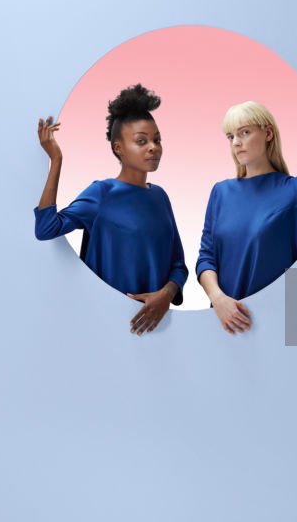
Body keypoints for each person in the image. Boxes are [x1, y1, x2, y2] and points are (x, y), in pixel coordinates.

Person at [34, 84, 188, 335]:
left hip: (157, 328)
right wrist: (56, 160)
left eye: (156, 139)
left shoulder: (160, 197)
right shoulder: (102, 193)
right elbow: (46, 228)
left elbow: (179, 265)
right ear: (118, 148)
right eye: (141, 141)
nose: (153, 147)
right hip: (103, 326)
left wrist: (166, 295)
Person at [196, 101, 297, 335]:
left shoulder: (295, 189)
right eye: (231, 137)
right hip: (224, 320)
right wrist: (218, 299)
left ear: (268, 133)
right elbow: (206, 258)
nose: (236, 142)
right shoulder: (220, 192)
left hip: (277, 321)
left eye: (245, 132)